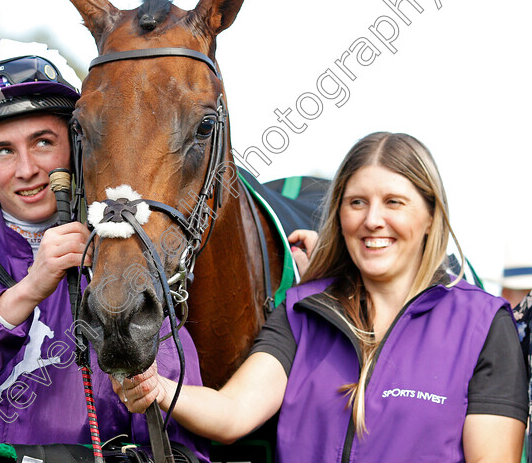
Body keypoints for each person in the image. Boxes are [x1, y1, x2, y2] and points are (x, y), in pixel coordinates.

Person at [0, 39, 209, 463]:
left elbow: (179, 449)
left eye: (42, 142)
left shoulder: (131, 273)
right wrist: (31, 288)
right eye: (1, 151)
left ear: (77, 149)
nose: (27, 169)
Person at [113, 132, 528, 462]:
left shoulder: (483, 323)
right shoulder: (302, 311)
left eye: (394, 203)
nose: (372, 220)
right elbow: (232, 412)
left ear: (430, 215)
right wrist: (160, 389)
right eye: (357, 203)